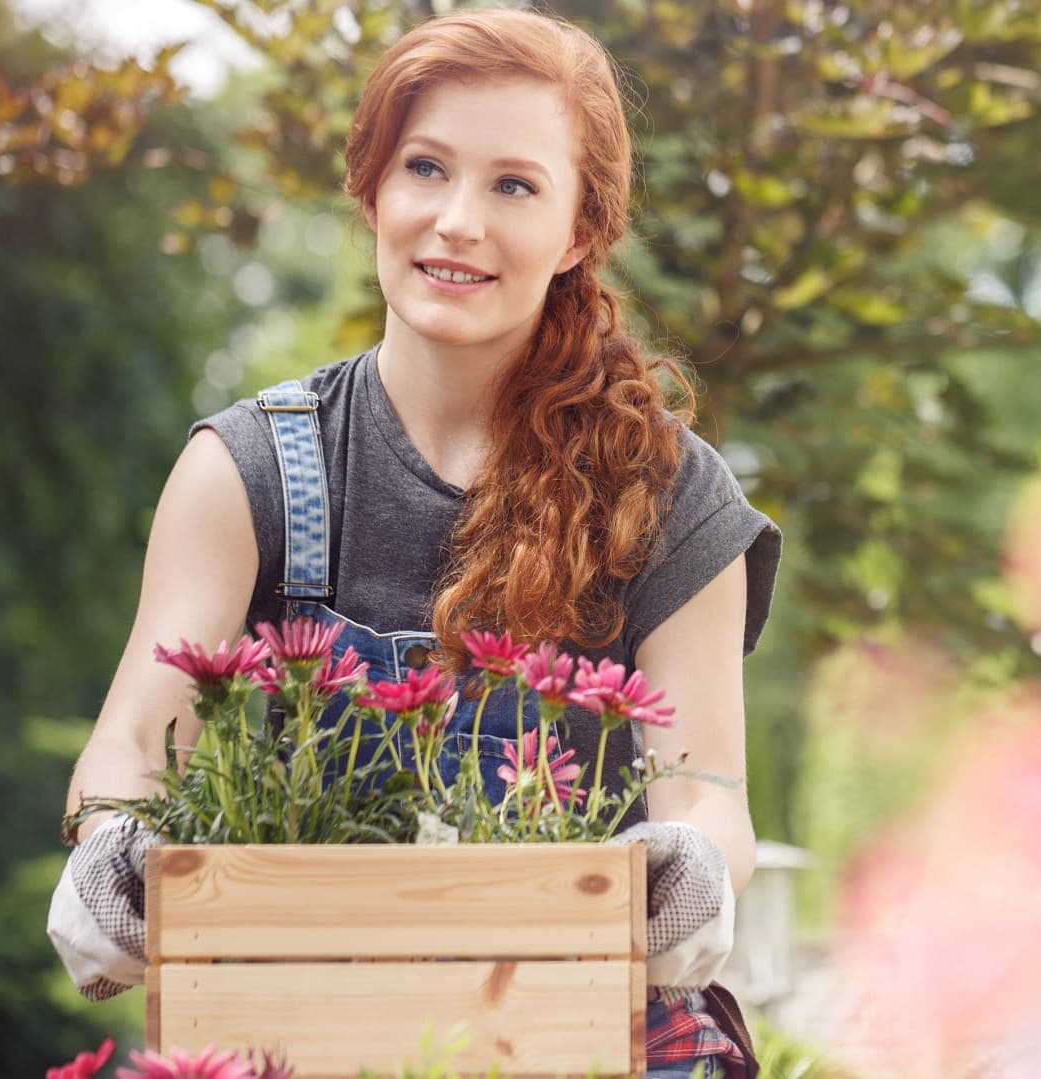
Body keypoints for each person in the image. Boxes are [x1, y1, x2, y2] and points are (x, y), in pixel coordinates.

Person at [45, 10, 781, 1078]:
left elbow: (706, 784)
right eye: (425, 168)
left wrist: (694, 864)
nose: (456, 221)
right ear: (372, 191)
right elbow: (130, 745)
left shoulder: (663, 493)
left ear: (580, 229)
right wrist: (112, 841)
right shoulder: (252, 469)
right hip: (299, 1013)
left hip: (582, 1029)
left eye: (514, 185)